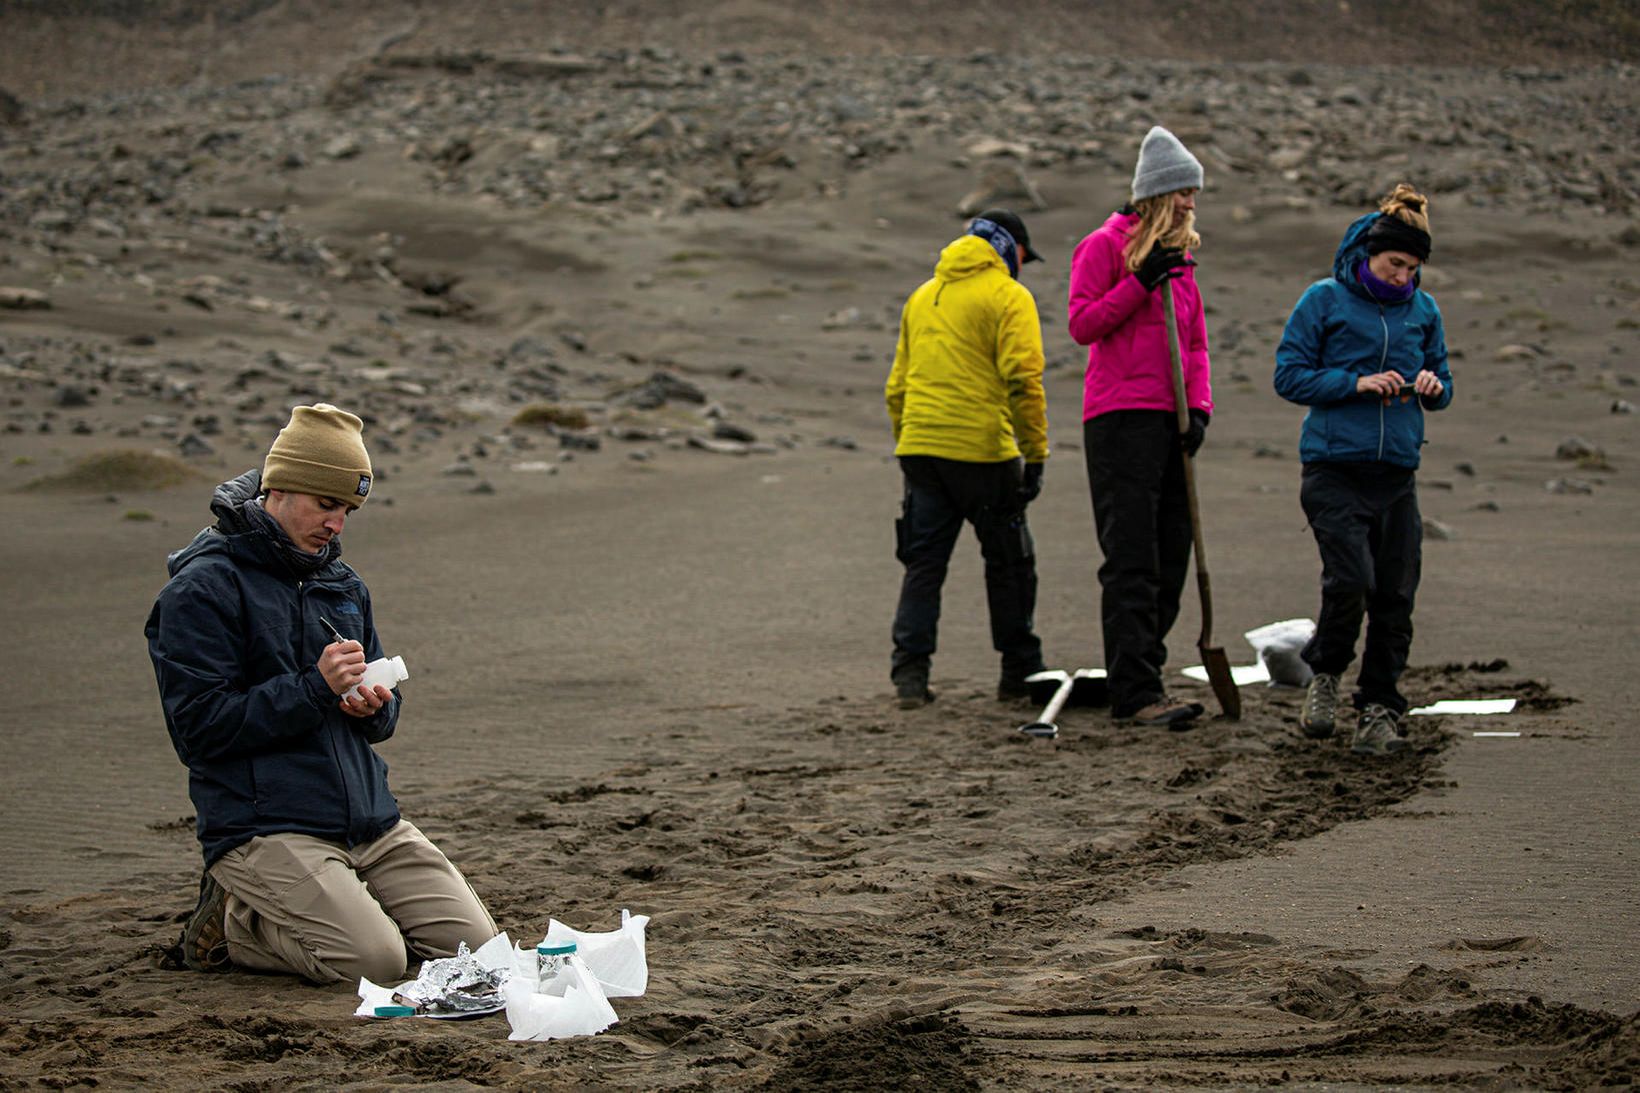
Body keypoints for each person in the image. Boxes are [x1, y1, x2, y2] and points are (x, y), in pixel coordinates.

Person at [146, 403, 497, 983]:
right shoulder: (201, 589)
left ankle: (342, 904)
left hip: (368, 819)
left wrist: (373, 707)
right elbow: (198, 730)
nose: (336, 524)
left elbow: (382, 720)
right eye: (326, 504)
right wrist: (314, 688)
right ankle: (235, 924)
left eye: (349, 510)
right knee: (375, 962)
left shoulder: (342, 584)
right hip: (264, 825)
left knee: (479, 952)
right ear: (279, 488)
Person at [1274, 184, 1453, 755]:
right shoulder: (1323, 300)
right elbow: (1289, 376)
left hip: (1397, 474)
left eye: (1412, 267)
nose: (1403, 276)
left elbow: (1444, 383)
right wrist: (1353, 384)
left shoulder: (1423, 311)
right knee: (1351, 580)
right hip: (1332, 467)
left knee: (1396, 596)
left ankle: (1379, 709)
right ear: (1370, 254)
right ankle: (1324, 677)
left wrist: (1431, 386)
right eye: (1394, 263)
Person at [1067, 125, 1213, 727]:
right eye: (1181, 192)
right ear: (1154, 194)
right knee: (1133, 558)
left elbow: (1197, 344)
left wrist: (1199, 408)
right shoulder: (1103, 246)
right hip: (1119, 419)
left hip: (1171, 419)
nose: (1190, 203)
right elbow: (1083, 324)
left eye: (1194, 194)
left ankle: (1146, 669)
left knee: (1173, 552)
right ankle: (1136, 692)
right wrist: (1138, 281)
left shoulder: (1181, 264)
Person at [885, 208, 1050, 709]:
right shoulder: (1009, 296)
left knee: (924, 564)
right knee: (1009, 563)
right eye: (1024, 256)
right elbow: (1024, 381)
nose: (1024, 265)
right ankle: (1018, 671)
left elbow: (897, 386)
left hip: (921, 450)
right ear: (1009, 248)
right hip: (983, 453)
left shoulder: (923, 295)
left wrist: (908, 439)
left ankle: (910, 676)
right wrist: (1036, 453)